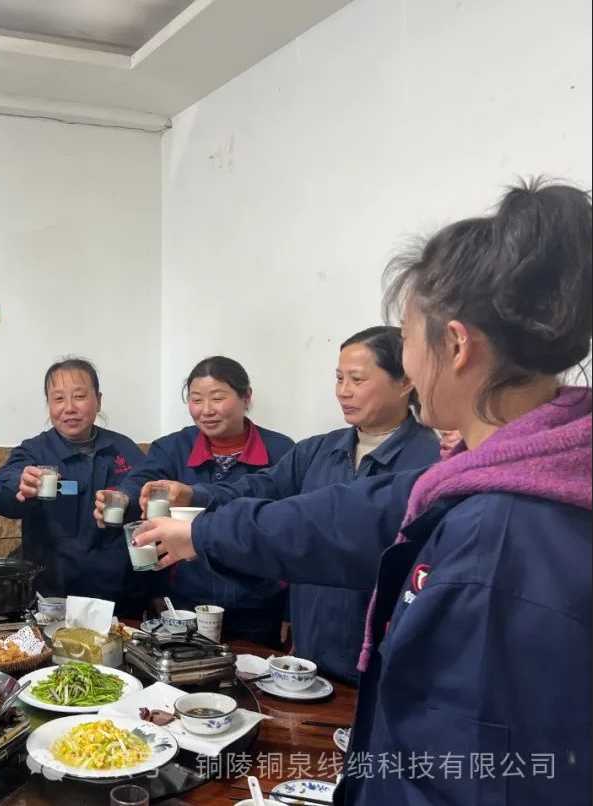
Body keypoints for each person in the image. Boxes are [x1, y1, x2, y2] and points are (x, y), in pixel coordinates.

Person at [134, 179, 591, 804]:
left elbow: (459, 774)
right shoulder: (502, 471)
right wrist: (202, 523)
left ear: (455, 346)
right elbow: (340, 515)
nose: (407, 361)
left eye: (407, 338)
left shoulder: (500, 532)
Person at [165, 328, 438, 683]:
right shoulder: (317, 450)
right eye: (339, 378)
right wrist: (195, 496)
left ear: (405, 383)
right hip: (312, 649)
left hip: (383, 659)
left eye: (357, 380)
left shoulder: (430, 461)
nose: (343, 391)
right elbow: (259, 488)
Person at [95, 356, 294, 642]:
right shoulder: (173, 447)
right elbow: (141, 479)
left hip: (260, 604)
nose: (206, 410)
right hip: (186, 600)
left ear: (246, 397)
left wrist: (292, 609)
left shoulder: (282, 451)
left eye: (218, 398)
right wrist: (123, 497)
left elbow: (296, 532)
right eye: (196, 400)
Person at [0, 358, 147, 615]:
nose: (69, 408)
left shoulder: (123, 449)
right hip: (53, 596)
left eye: (80, 396)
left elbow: (147, 501)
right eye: (59, 399)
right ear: (49, 405)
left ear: (98, 401)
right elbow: (1, 494)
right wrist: (20, 484)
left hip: (120, 597)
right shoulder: (35, 450)